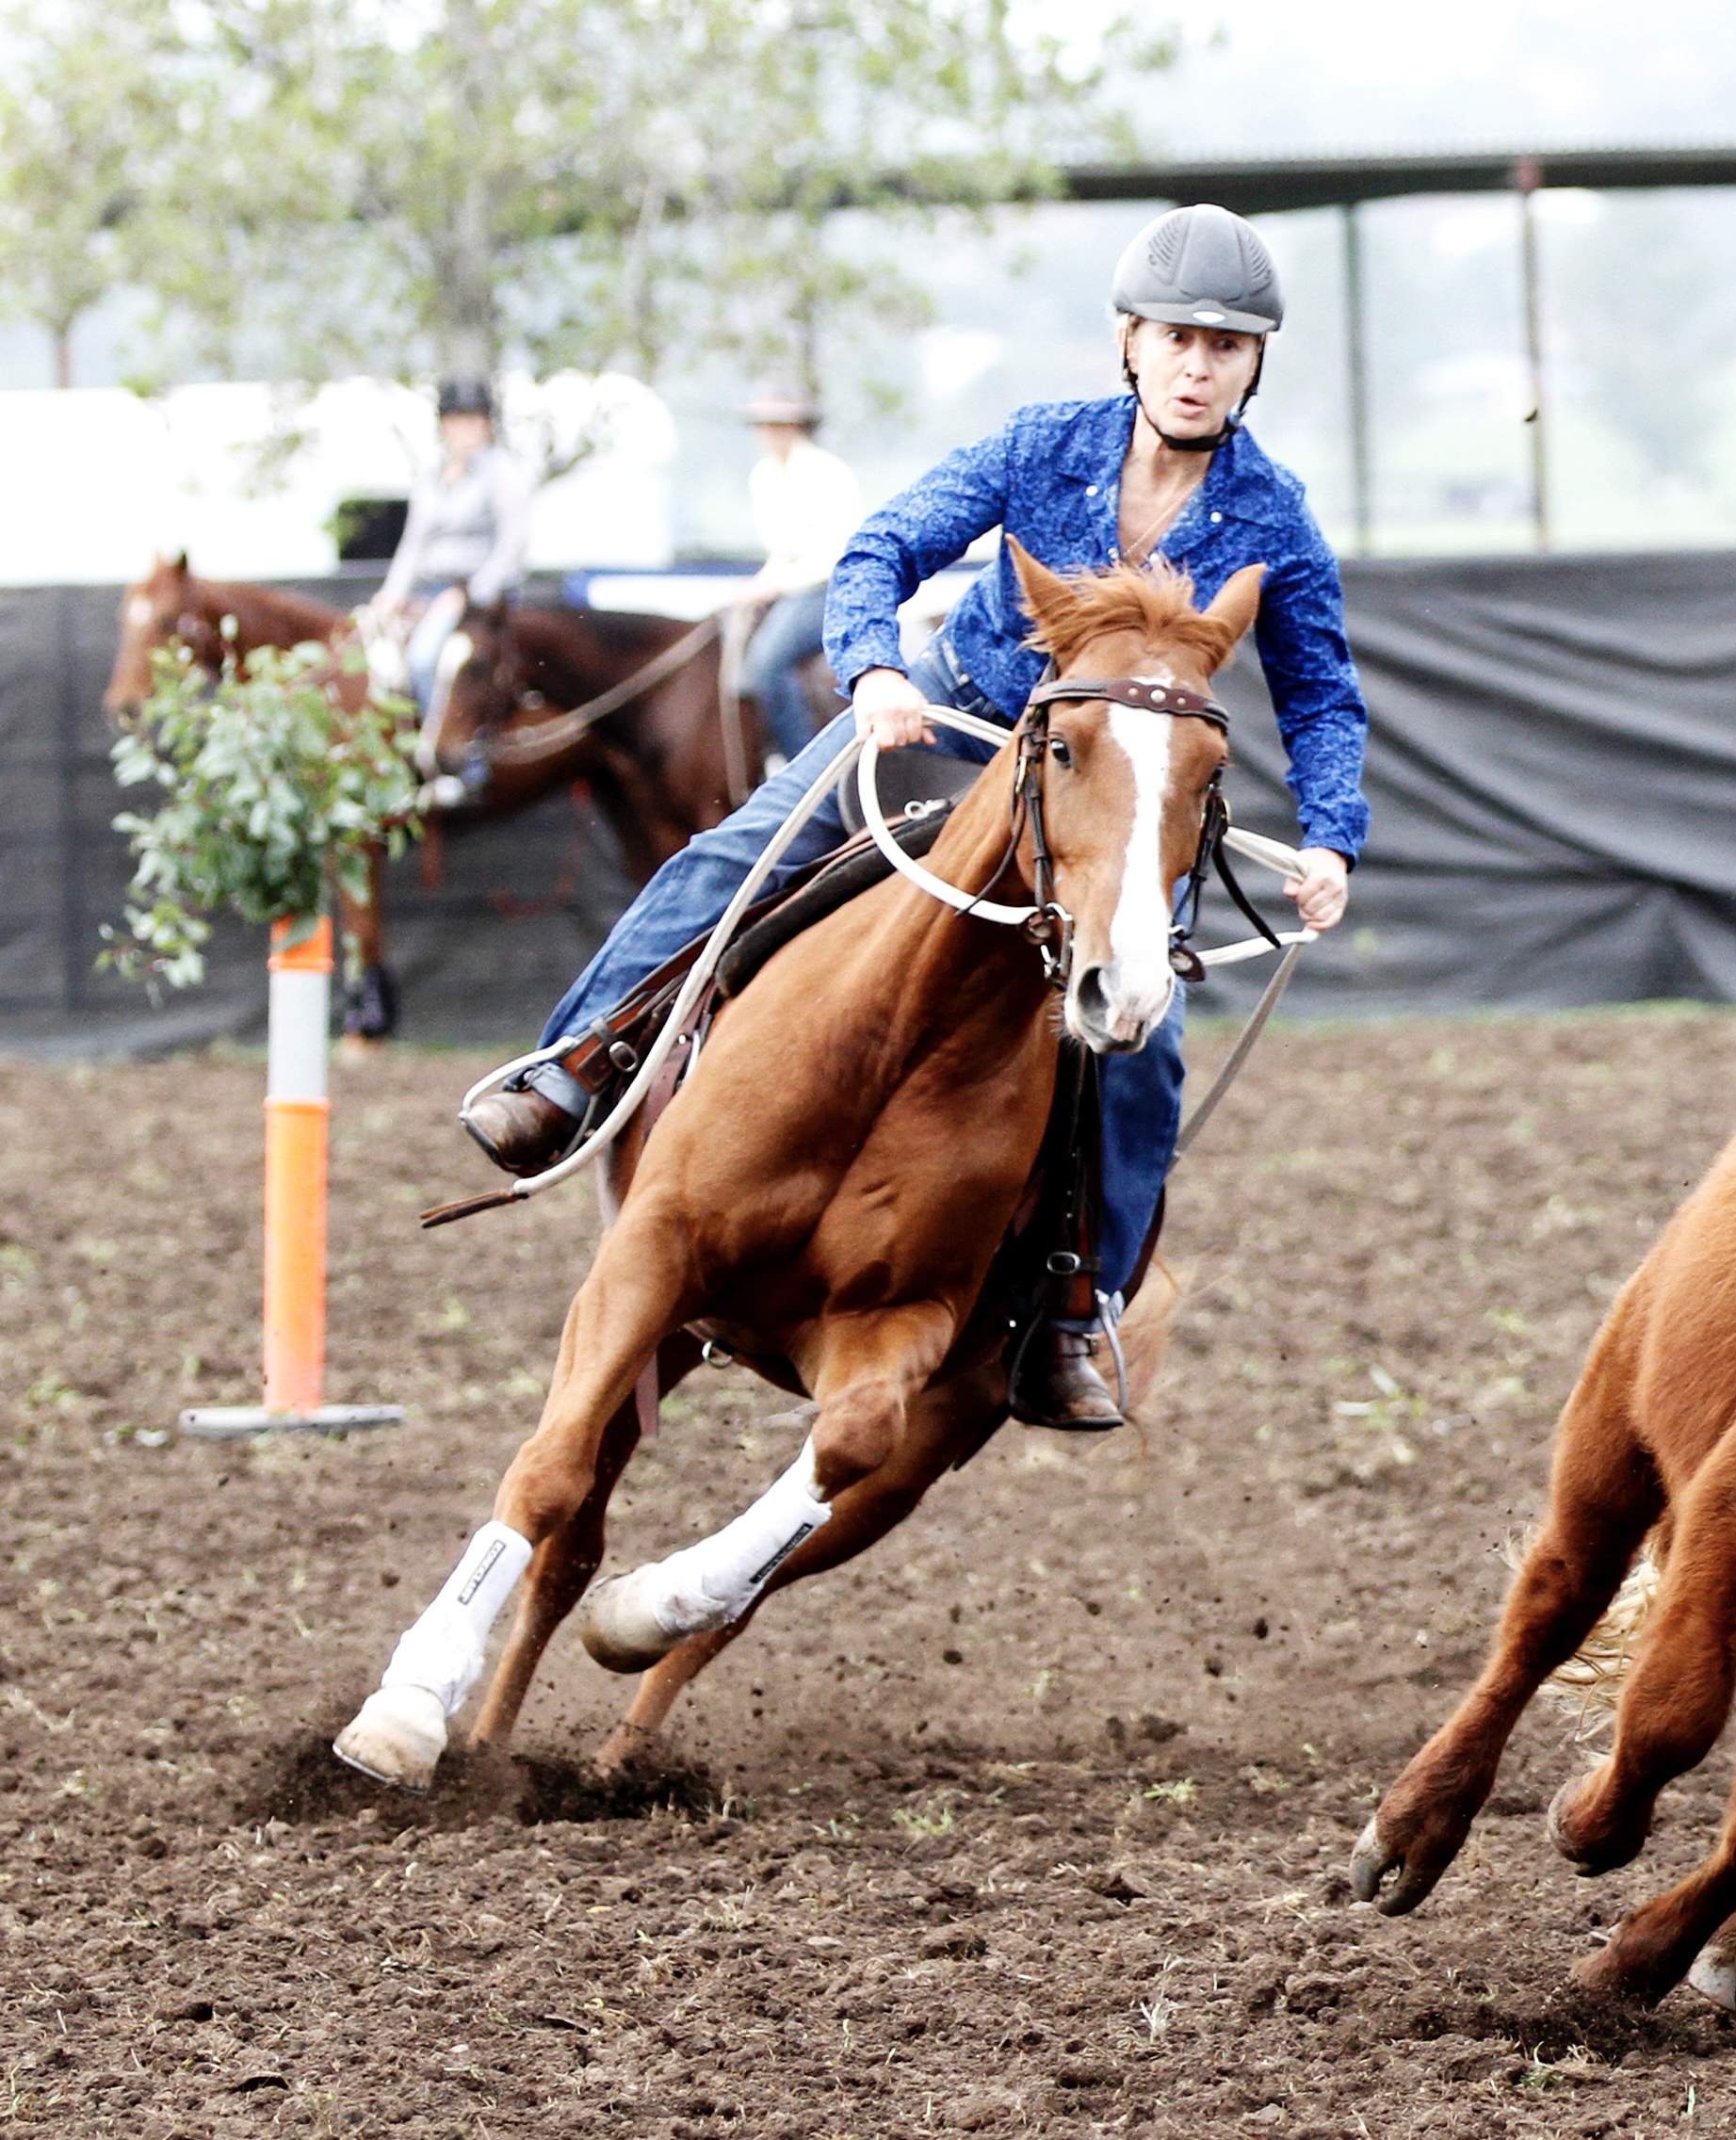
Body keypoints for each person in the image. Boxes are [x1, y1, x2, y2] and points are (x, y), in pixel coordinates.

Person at [462, 205, 1368, 1428]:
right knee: (741, 851)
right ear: (1130, 342)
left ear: (1254, 364)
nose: (1199, 366)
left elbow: (1321, 694)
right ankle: (572, 1066)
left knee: (1145, 1040)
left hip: (1114, 795)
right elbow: (882, 547)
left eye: (1226, 346)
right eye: (1178, 338)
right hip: (953, 718)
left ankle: (1077, 1311)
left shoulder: (1275, 517)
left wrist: (1331, 834)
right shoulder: (1041, 444)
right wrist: (876, 669)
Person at [367, 376, 534, 714]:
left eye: (474, 420)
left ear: (486, 425)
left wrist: (469, 594)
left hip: (483, 597)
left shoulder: (502, 473)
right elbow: (414, 543)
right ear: (444, 425)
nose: (467, 429)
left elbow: (512, 544)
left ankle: (450, 741)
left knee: (424, 659)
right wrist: (392, 592)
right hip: (430, 591)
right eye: (458, 420)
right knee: (377, 652)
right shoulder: (431, 476)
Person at [734, 384, 864, 765]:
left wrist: (775, 583)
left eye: (779, 424)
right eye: (763, 424)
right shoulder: (763, 475)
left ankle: (802, 763)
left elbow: (837, 552)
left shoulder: (826, 471)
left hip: (831, 586)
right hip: (792, 587)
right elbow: (785, 550)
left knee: (767, 663)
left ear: (798, 426)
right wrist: (763, 581)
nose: (769, 432)